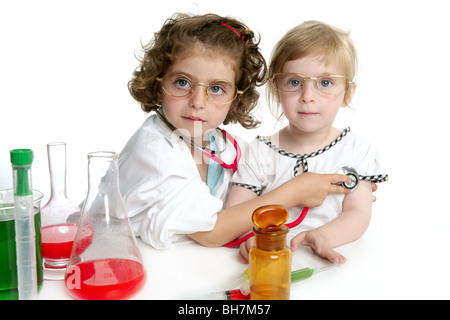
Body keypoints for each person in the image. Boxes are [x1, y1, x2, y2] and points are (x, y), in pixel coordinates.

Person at [118, 14, 351, 249]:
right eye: (182, 82)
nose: (198, 101)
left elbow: (264, 178)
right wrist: (294, 192)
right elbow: (211, 233)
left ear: (235, 98)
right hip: (118, 263)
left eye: (216, 88)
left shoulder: (225, 146)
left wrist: (337, 187)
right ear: (159, 85)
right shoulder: (152, 151)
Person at [227, 21, 388, 263]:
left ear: (348, 94)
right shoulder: (259, 151)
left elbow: (359, 212)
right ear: (276, 88)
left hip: (325, 259)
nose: (308, 97)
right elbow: (234, 215)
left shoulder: (356, 150)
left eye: (325, 83)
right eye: (295, 82)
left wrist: (323, 236)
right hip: (269, 259)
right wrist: (252, 235)